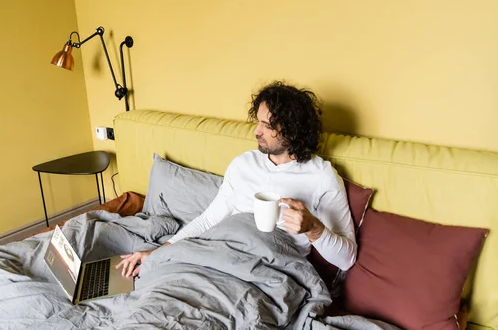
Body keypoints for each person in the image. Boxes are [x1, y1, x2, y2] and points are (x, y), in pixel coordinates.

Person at [117, 81, 357, 277]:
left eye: (267, 125)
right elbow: (209, 219)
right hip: (219, 257)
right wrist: (159, 252)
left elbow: (346, 260)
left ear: (292, 130)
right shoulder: (244, 164)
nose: (256, 131)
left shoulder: (321, 176)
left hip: (268, 270)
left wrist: (314, 229)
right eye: (258, 122)